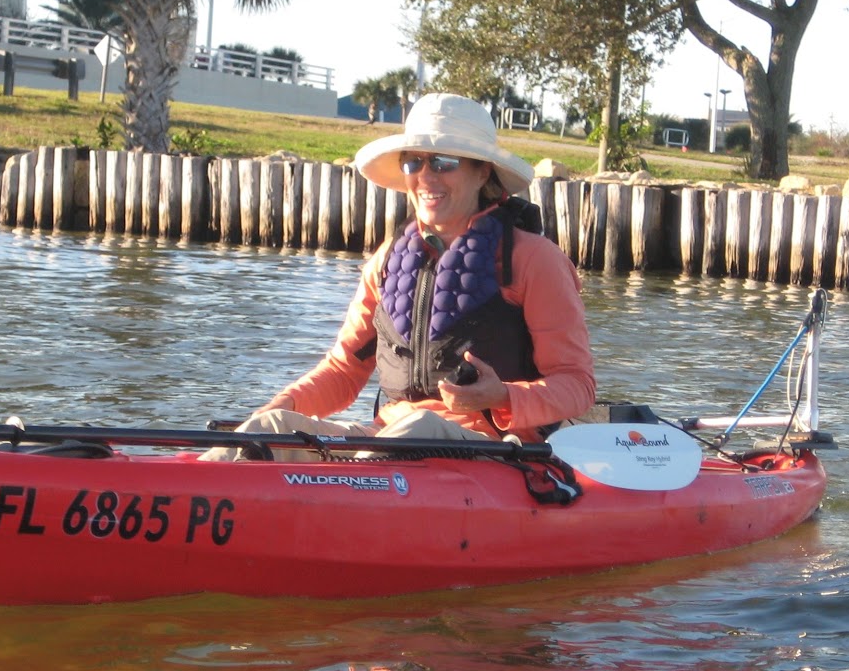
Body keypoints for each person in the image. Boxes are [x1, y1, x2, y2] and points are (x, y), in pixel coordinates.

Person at [208, 92, 595, 458]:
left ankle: (350, 495)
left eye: (443, 161)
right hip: (385, 439)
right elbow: (343, 370)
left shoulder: (535, 260)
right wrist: (279, 406)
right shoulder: (385, 261)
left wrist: (501, 397)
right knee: (268, 427)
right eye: (414, 162)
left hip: (492, 452)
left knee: (420, 428)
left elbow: (577, 385)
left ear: (482, 173)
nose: (426, 176)